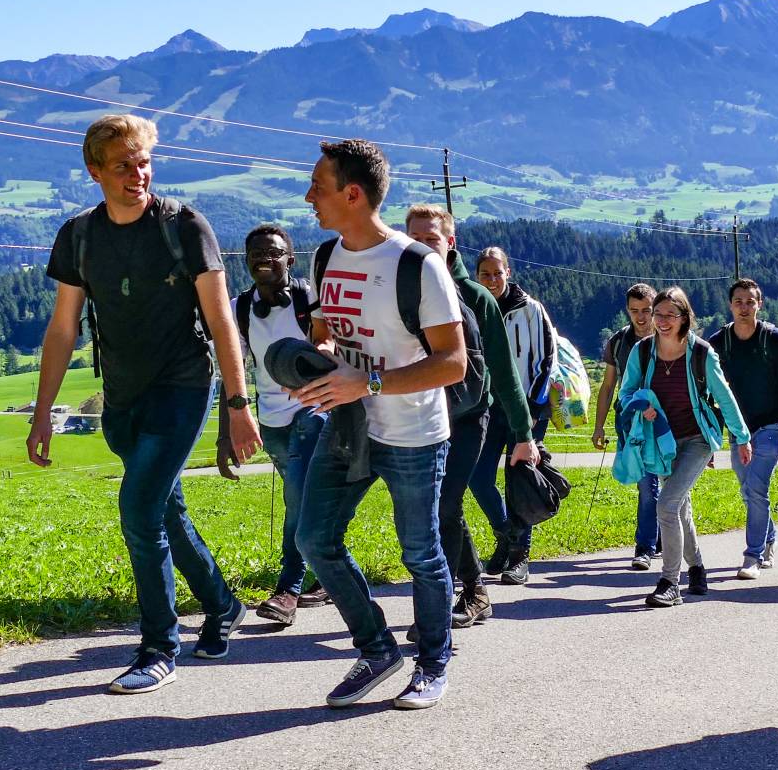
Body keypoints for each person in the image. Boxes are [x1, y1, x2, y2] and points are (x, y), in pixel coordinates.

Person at [29, 114, 259, 694]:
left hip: (183, 389)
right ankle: (222, 603)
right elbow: (63, 328)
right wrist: (43, 412)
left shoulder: (183, 226)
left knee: (138, 509)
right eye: (124, 166)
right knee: (166, 511)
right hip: (122, 399)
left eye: (145, 163)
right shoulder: (79, 235)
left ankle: (159, 646)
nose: (139, 175)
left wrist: (238, 403)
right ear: (95, 172)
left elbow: (220, 317)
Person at [297, 140, 466, 710]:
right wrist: (316, 363)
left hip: (414, 434)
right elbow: (326, 330)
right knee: (314, 539)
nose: (309, 196)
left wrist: (365, 383)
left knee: (420, 553)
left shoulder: (418, 265)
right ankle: (376, 649)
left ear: (352, 193)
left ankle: (433, 663)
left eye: (318, 187)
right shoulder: (324, 258)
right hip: (348, 427)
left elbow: (453, 362)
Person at [404, 205, 540, 630]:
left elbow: (503, 371)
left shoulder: (476, 297)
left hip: (466, 418)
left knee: (444, 503)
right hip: (417, 417)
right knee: (434, 509)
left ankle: (451, 603)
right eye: (415, 238)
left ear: (450, 243)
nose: (422, 246)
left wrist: (523, 433)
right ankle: (470, 590)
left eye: (431, 239)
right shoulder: (401, 289)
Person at [215, 223, 330, 627]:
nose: (264, 259)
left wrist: (313, 359)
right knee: (306, 498)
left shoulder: (308, 297)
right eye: (256, 254)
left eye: (273, 253)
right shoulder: (238, 308)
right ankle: (328, 568)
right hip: (271, 422)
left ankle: (289, 589)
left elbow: (327, 341)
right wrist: (226, 431)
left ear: (289, 259)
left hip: (314, 409)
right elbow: (231, 373)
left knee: (297, 496)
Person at [613, 287, 752, 607]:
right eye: (656, 314)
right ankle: (698, 568)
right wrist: (640, 403)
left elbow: (724, 396)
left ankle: (670, 581)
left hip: (697, 440)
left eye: (669, 315)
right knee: (680, 506)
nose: (661, 320)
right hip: (660, 443)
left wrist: (741, 436)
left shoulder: (701, 353)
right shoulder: (643, 351)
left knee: (667, 504)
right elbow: (626, 393)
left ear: (684, 317)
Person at [469, 245, 557, 585]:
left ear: (509, 272)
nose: (491, 280)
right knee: (478, 476)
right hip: (484, 408)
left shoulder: (530, 310)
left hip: (525, 409)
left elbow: (545, 359)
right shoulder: (471, 308)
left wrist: (532, 409)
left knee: (520, 480)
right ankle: (506, 534)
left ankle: (519, 556)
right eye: (484, 274)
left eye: (497, 273)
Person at [708, 278, 778, 578]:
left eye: (750, 302)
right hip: (739, 431)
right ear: (730, 305)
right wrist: (712, 439)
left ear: (759, 304)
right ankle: (769, 538)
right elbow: (709, 394)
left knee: (757, 487)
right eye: (739, 302)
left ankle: (753, 556)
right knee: (748, 491)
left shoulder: (775, 340)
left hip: (772, 425)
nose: (744, 307)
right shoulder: (718, 343)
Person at [590, 282, 661, 568]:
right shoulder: (619, 342)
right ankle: (646, 545)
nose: (641, 317)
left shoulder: (667, 336)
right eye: (635, 311)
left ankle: (656, 540)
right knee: (646, 483)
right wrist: (599, 426)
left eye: (646, 310)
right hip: (630, 423)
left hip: (664, 421)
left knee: (663, 486)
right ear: (627, 311)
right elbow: (608, 387)